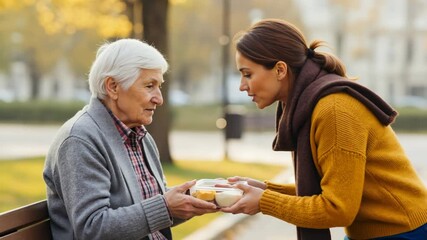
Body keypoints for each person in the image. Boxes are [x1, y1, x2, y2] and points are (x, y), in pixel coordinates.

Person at [220, 19, 427, 240]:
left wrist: (264, 200)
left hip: (404, 233)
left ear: (280, 69)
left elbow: (337, 209)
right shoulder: (310, 103)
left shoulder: (334, 111)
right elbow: (328, 192)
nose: (242, 85)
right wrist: (265, 189)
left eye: (248, 74)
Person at [43, 38, 218, 240]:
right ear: (113, 87)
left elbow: (148, 208)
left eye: (159, 86)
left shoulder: (139, 135)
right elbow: (93, 228)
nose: (159, 98)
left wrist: (194, 197)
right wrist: (166, 206)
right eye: (149, 86)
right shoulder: (80, 140)